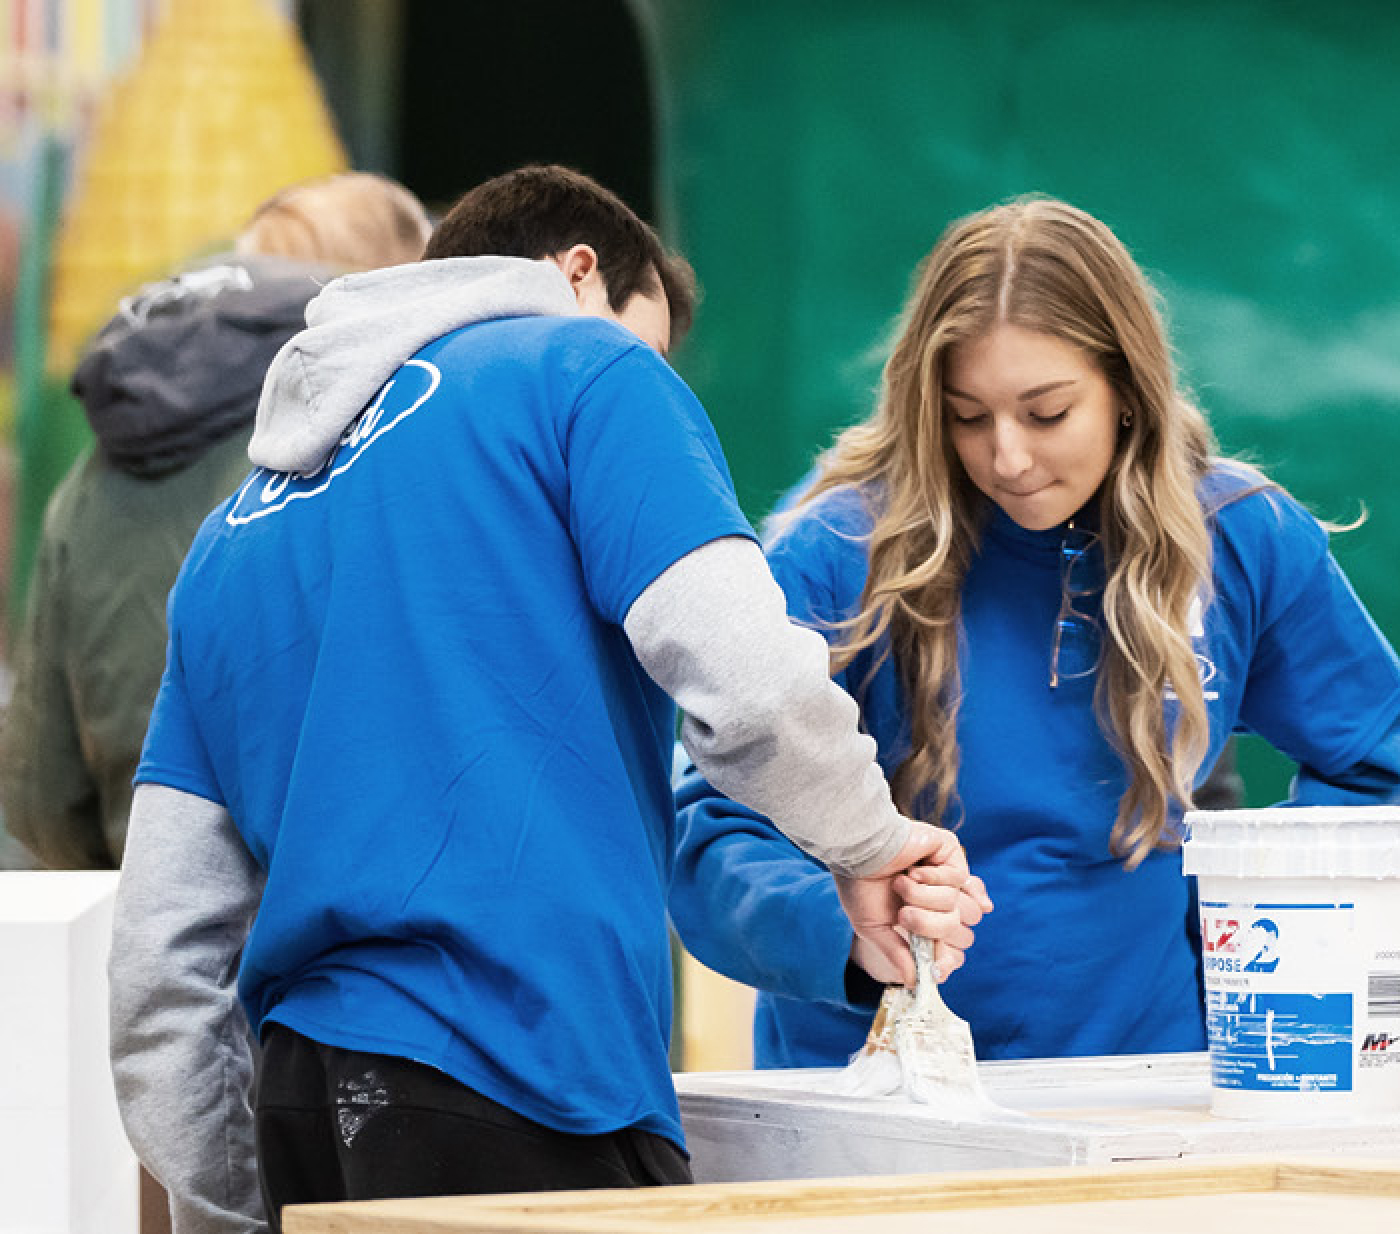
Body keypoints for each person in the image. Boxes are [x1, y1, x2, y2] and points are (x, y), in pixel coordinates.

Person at [108, 165, 979, 1230]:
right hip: (524, 1076)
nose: (658, 384)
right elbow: (748, 677)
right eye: (653, 349)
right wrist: (869, 841)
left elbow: (161, 963)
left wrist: (232, 1209)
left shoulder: (233, 535)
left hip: (301, 1102)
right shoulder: (584, 367)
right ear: (577, 274)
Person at [667, 195, 1400, 1069]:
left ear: (1126, 391)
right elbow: (710, 829)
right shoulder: (837, 551)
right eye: (967, 416)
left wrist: (1249, 925)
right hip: (874, 1094)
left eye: (1046, 413)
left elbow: (1375, 756)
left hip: (1150, 1091)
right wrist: (827, 925)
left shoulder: (1241, 535)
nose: (1008, 458)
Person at [3, 172, 427, 870]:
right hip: (343, 937)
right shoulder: (384, 438)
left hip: (143, 927)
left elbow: (39, 794)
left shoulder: (89, 476)